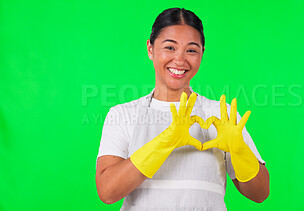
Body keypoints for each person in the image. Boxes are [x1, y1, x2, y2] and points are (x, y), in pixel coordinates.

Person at [95, 7, 270, 210]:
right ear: (150, 49)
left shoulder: (220, 116)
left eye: (191, 50)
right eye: (170, 47)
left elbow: (260, 193)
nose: (179, 60)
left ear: (202, 54)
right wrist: (163, 143)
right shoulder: (124, 115)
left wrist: (240, 151)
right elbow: (108, 192)